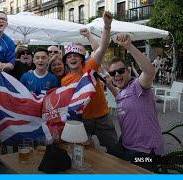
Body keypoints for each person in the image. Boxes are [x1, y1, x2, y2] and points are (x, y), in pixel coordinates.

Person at [61, 11, 118, 154]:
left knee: (115, 149)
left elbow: (102, 48)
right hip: (82, 121)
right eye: (69, 57)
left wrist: (107, 26)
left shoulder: (90, 67)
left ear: (81, 59)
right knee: (83, 152)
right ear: (66, 62)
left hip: (102, 117)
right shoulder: (64, 80)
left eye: (75, 56)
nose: (72, 58)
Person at [107, 34, 164, 172]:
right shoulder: (121, 93)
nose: (117, 75)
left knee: (131, 170)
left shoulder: (137, 86)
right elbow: (120, 96)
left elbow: (150, 72)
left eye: (120, 71)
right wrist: (109, 85)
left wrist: (129, 46)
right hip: (126, 145)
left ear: (128, 71)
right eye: (113, 73)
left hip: (147, 153)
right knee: (107, 162)